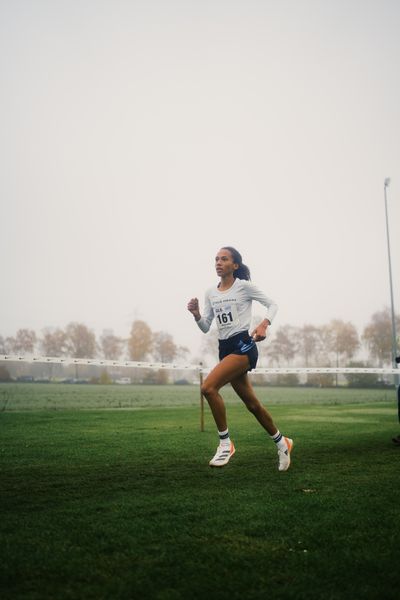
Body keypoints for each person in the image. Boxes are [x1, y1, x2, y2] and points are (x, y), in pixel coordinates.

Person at [187, 246, 293, 471]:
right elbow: (206, 327)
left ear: (235, 265)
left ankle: (225, 444)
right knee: (253, 405)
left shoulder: (244, 287)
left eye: (224, 259)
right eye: (216, 259)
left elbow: (273, 305)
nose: (218, 262)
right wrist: (196, 315)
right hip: (225, 349)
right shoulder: (210, 293)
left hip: (243, 346)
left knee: (208, 388)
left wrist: (264, 324)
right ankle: (282, 442)